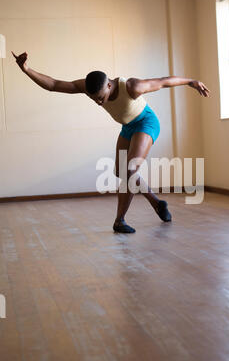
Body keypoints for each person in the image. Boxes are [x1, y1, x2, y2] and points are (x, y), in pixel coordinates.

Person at [12, 51, 210, 233]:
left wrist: (191, 81)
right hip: (128, 127)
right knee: (121, 172)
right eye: (95, 100)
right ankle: (157, 203)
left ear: (108, 85)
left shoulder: (132, 87)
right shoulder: (89, 86)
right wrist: (27, 69)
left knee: (130, 170)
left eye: (101, 98)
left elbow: (164, 81)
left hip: (146, 122)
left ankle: (119, 221)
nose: (99, 102)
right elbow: (55, 85)